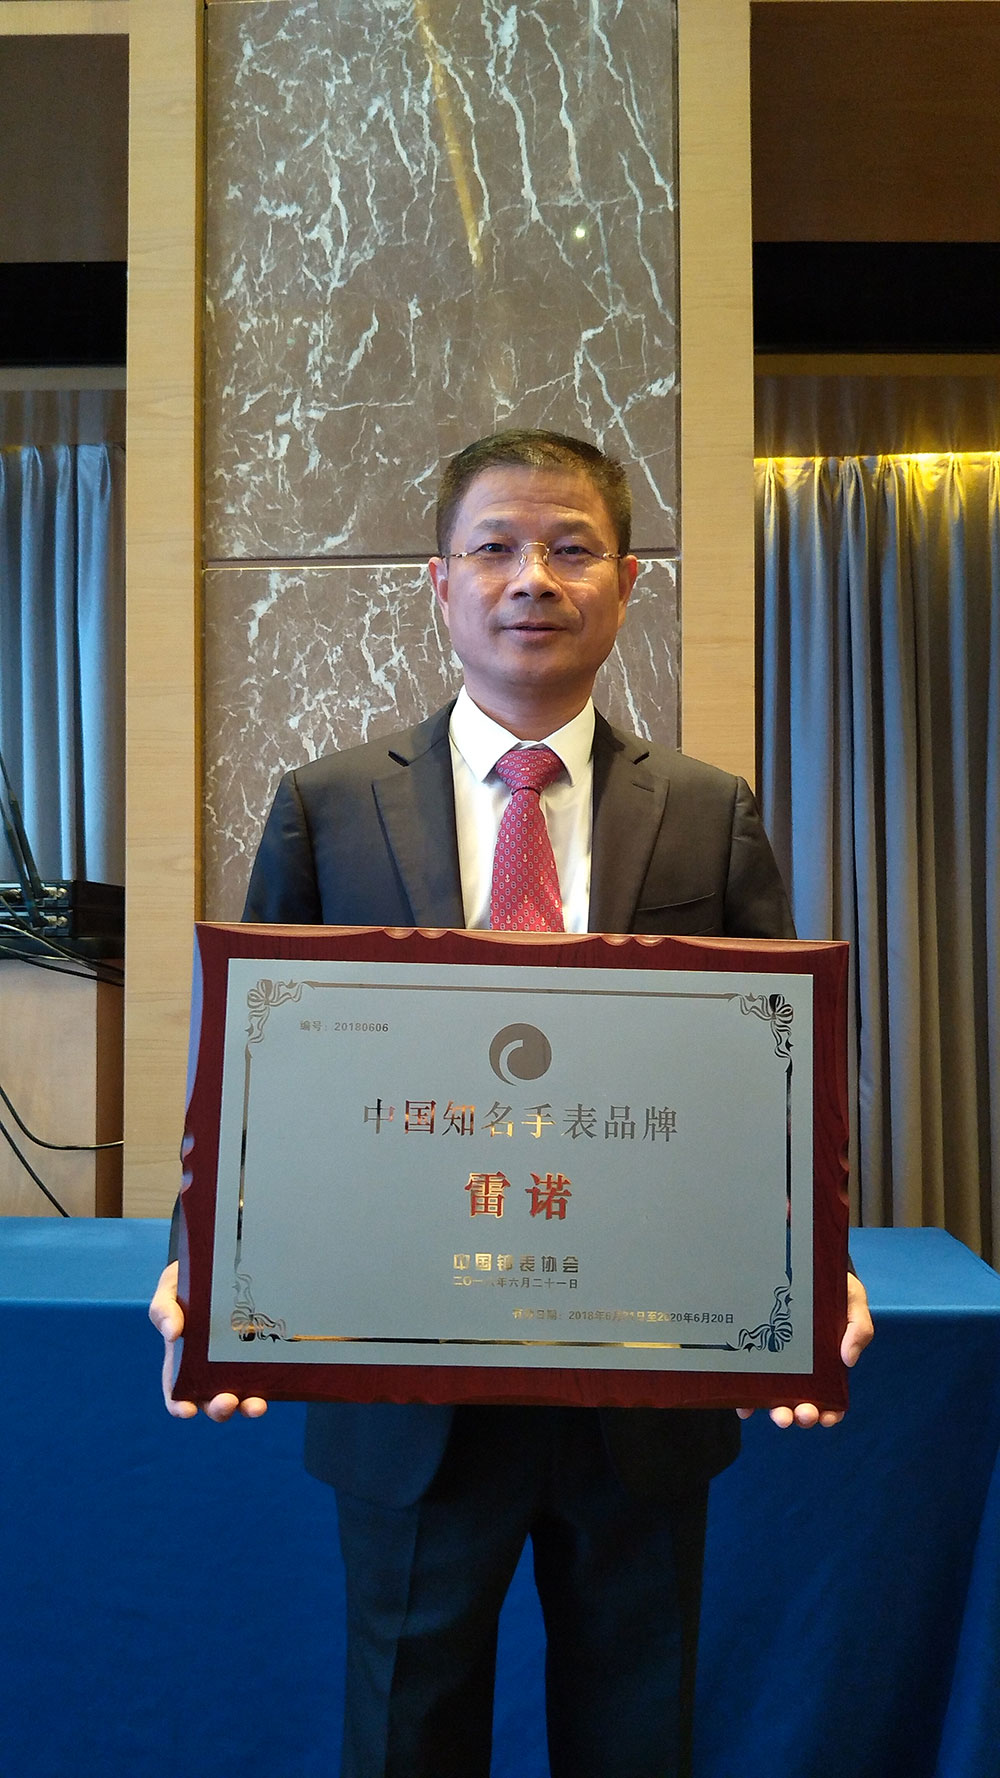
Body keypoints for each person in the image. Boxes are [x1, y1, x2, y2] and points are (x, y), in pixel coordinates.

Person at [151, 429, 873, 1778]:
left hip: (646, 1380)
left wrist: (811, 1263)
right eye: (494, 547)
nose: (532, 577)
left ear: (628, 581)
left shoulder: (709, 813)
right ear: (441, 584)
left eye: (571, 547)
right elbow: (260, 1077)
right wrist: (210, 1258)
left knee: (636, 1737)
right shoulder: (326, 807)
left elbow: (775, 1081)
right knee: (404, 1734)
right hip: (406, 1391)